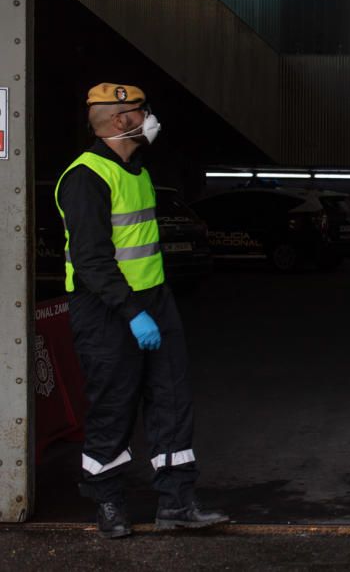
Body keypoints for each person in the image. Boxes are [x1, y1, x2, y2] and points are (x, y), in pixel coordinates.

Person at [55, 84, 228, 538]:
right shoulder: (85, 178)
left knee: (171, 402)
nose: (148, 117)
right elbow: (92, 261)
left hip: (153, 303)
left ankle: (177, 503)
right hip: (107, 311)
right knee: (113, 406)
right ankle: (108, 503)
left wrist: (151, 306)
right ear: (120, 121)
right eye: (140, 111)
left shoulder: (138, 171)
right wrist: (132, 312)